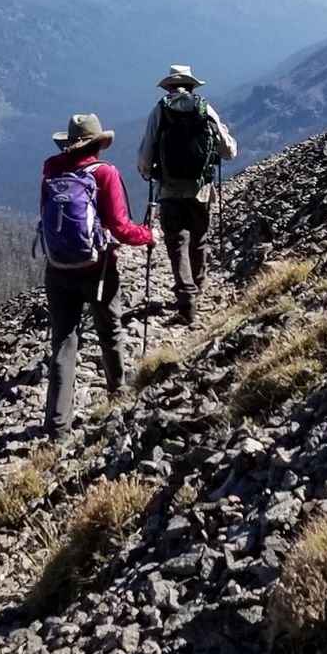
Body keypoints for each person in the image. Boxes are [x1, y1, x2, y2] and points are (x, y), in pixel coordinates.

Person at [39, 112, 155, 436]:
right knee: (109, 329)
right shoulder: (105, 173)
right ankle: (117, 390)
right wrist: (147, 236)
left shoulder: (52, 169)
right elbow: (120, 226)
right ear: (98, 144)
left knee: (63, 342)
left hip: (57, 268)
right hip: (98, 269)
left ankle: (56, 426)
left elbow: (43, 215)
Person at [137, 65, 238, 326]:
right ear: (192, 86)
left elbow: (146, 151)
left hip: (169, 189)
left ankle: (186, 298)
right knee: (198, 240)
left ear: (169, 86)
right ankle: (198, 284)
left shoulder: (161, 109)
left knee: (176, 244)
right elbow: (228, 149)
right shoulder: (204, 108)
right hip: (200, 189)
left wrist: (148, 171)